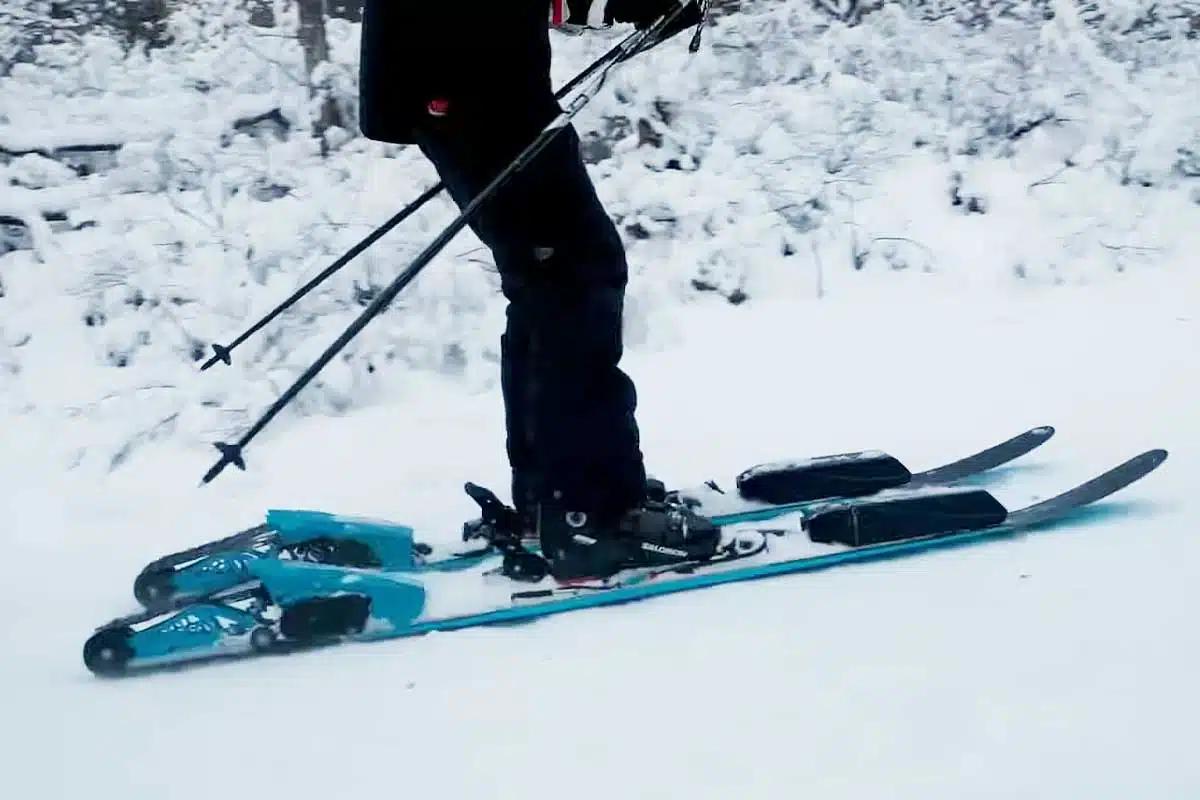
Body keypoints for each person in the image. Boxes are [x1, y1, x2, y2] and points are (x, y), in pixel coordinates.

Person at [358, 0, 716, 580]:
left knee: (551, 282)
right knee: (573, 281)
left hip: (466, 76)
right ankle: (590, 513)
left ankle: (554, 498)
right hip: (471, 80)